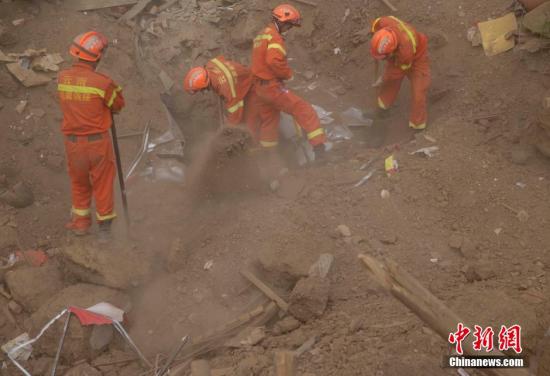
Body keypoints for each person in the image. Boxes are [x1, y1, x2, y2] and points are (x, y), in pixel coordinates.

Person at [57, 31, 125, 242]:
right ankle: (104, 231)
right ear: (98, 56)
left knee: (79, 183)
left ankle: (80, 224)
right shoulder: (102, 82)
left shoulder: (62, 78)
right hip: (97, 143)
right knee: (102, 183)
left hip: (72, 144)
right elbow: (118, 105)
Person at [248, 3, 327, 156]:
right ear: (282, 21)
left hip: (260, 88)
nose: (289, 30)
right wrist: (287, 74)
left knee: (269, 122)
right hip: (272, 87)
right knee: (304, 110)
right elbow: (273, 61)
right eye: (289, 26)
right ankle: (320, 151)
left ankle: (268, 159)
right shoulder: (275, 37)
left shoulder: (261, 35)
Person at [370, 16, 431, 130]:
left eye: (385, 57)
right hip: (399, 50)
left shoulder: (405, 52)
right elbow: (375, 24)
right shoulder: (383, 22)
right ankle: (383, 108)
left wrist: (382, 78)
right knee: (390, 82)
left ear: (392, 50)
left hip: (418, 57)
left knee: (418, 92)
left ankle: (417, 126)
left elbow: (398, 71)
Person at [183, 56, 252, 126]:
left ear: (205, 86)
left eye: (200, 90)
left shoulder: (226, 89)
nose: (202, 92)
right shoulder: (211, 64)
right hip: (244, 73)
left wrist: (229, 127)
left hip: (252, 88)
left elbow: (236, 111)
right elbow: (223, 58)